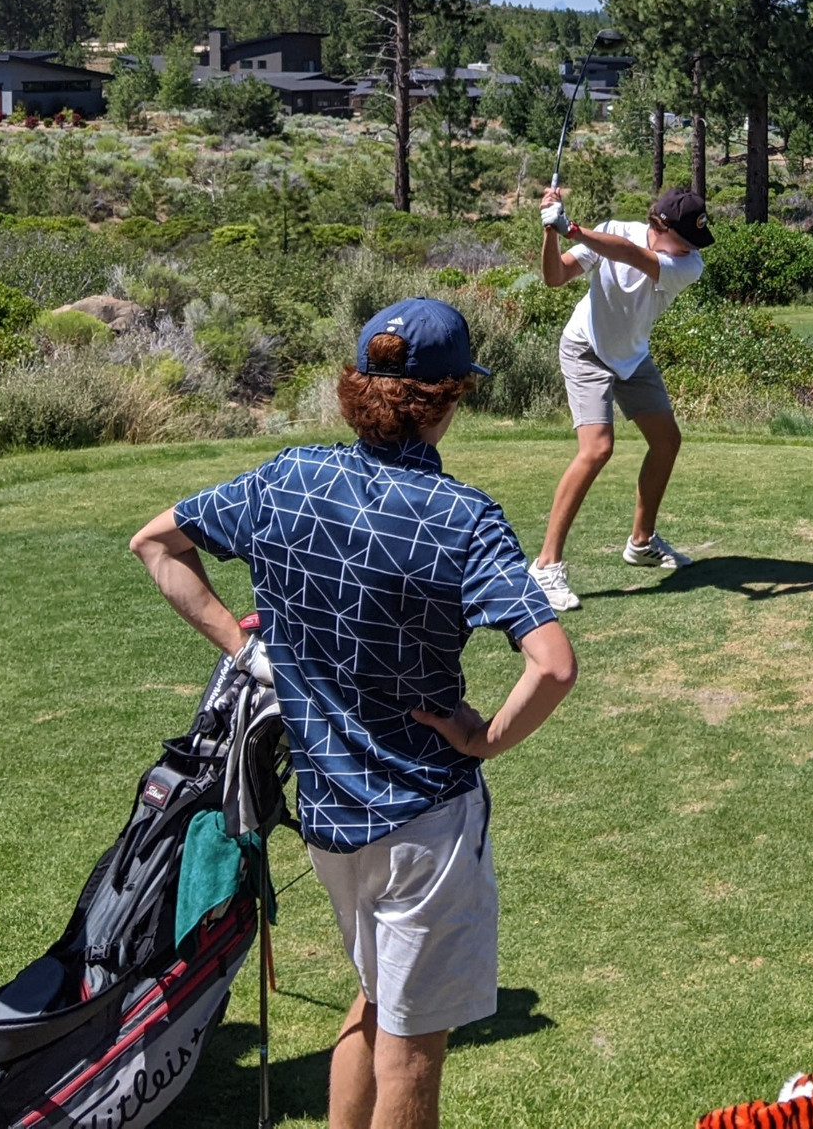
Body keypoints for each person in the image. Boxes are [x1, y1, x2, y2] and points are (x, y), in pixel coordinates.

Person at [131, 298, 575, 1129]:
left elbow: (155, 543)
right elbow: (552, 664)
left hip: (331, 820)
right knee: (413, 1048)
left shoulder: (285, 477)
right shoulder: (463, 518)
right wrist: (485, 736)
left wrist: (245, 647)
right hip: (424, 819)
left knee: (374, 1003)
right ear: (445, 401)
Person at [526, 183, 713, 611]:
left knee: (667, 441)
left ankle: (641, 542)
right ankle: (545, 566)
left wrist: (572, 227)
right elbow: (555, 278)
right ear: (658, 225)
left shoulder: (688, 265)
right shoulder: (612, 230)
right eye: (684, 239)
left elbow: (631, 256)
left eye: (694, 242)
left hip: (631, 356)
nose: (690, 249)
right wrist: (551, 231)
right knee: (597, 449)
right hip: (586, 349)